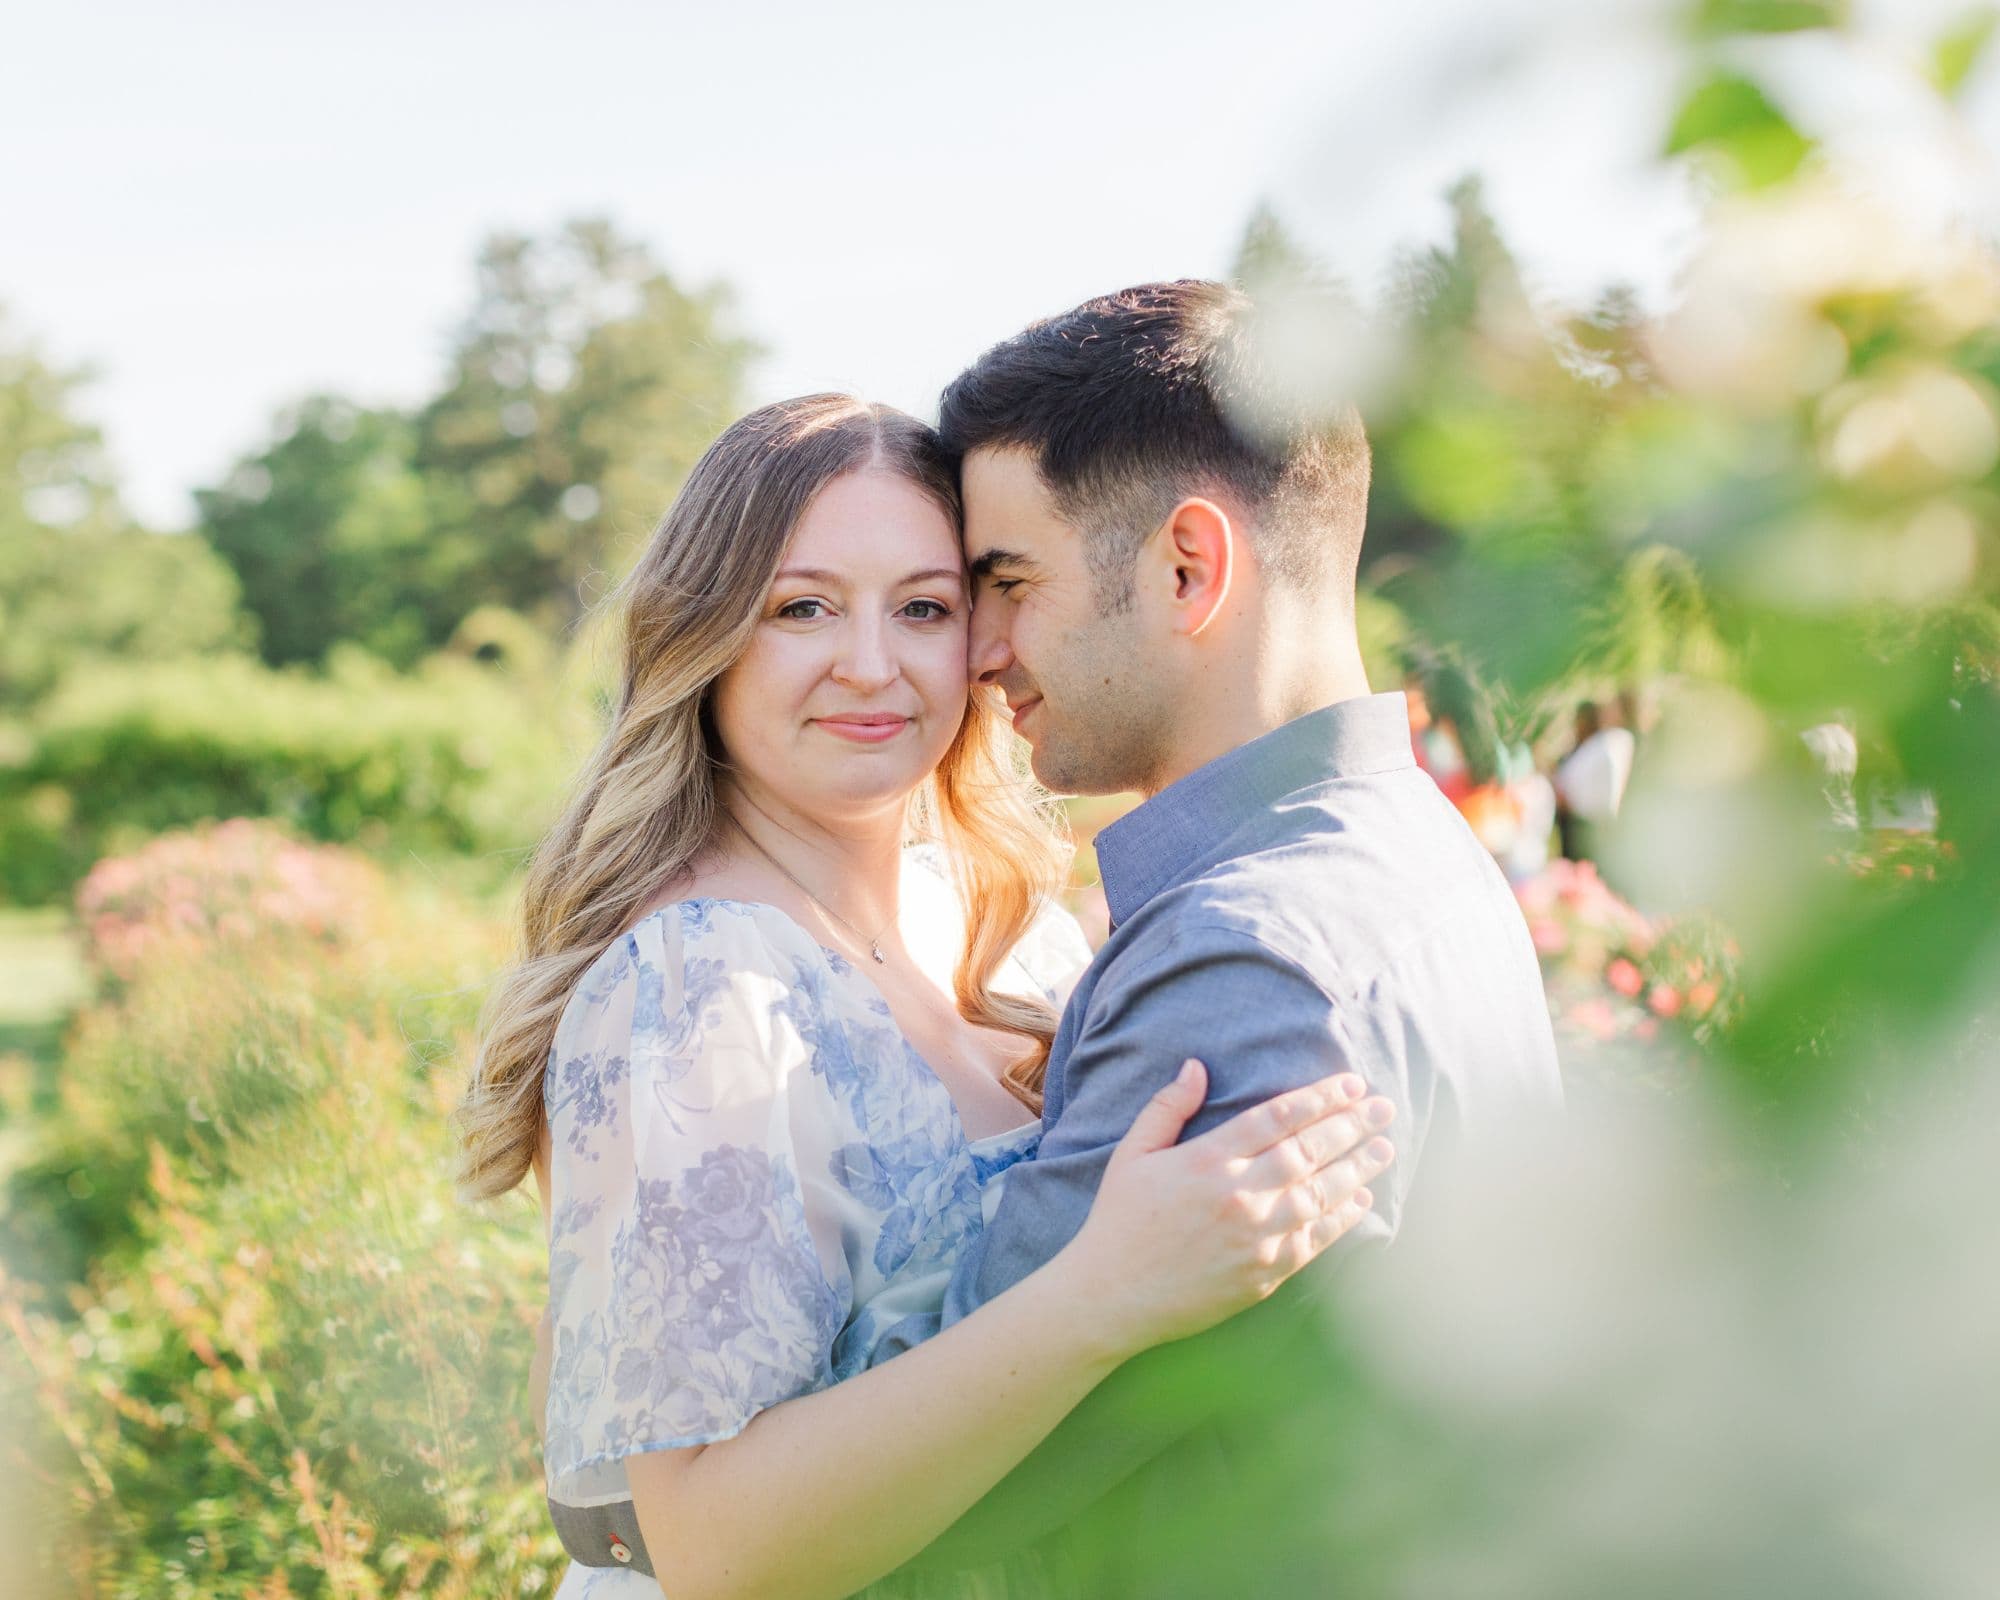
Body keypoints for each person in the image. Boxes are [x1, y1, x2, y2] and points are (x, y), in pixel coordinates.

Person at [452, 393, 1397, 1600]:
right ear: (708, 634)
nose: (870, 664)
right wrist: (1103, 1294)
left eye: (923, 608)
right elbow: (708, 1546)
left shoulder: (1002, 922)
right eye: (801, 608)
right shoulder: (694, 985)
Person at [870, 280, 1564, 1594]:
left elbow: (928, 1505)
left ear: (1189, 566)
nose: (980, 651)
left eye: (1008, 583)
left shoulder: (1236, 964)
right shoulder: (1426, 856)